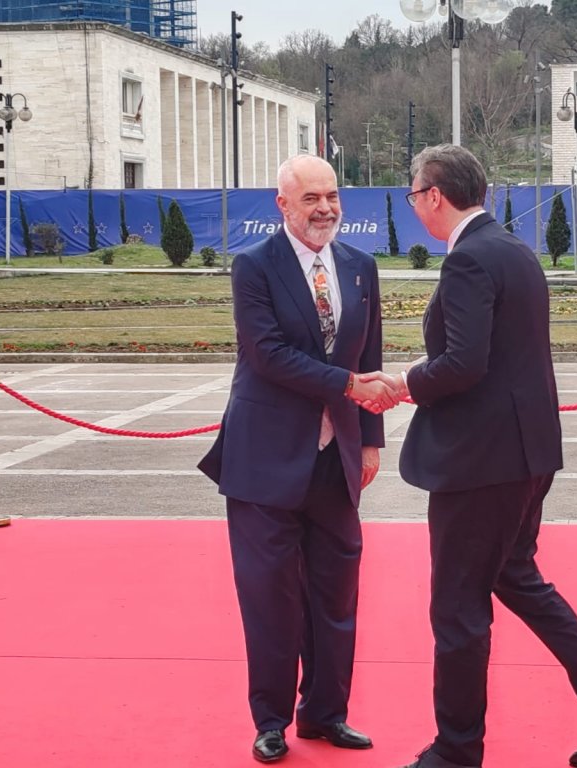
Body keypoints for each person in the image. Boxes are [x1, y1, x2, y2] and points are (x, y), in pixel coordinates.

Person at [368, 145, 577, 768]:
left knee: (457, 610)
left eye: (414, 195)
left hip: (481, 463)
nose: (414, 206)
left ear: (434, 195)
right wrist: (416, 376)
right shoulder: (515, 250)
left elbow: (465, 365)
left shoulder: (468, 259)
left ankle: (457, 749)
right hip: (527, 454)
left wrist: (403, 384)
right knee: (516, 577)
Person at [198, 154, 398, 763]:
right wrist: (348, 386)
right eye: (311, 198)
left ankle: (326, 713)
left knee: (336, 594)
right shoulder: (254, 267)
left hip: (336, 459)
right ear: (282, 204)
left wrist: (369, 439)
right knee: (270, 598)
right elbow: (268, 355)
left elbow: (369, 352)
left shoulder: (360, 267)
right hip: (264, 459)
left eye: (331, 196)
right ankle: (271, 721)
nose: (325, 208)